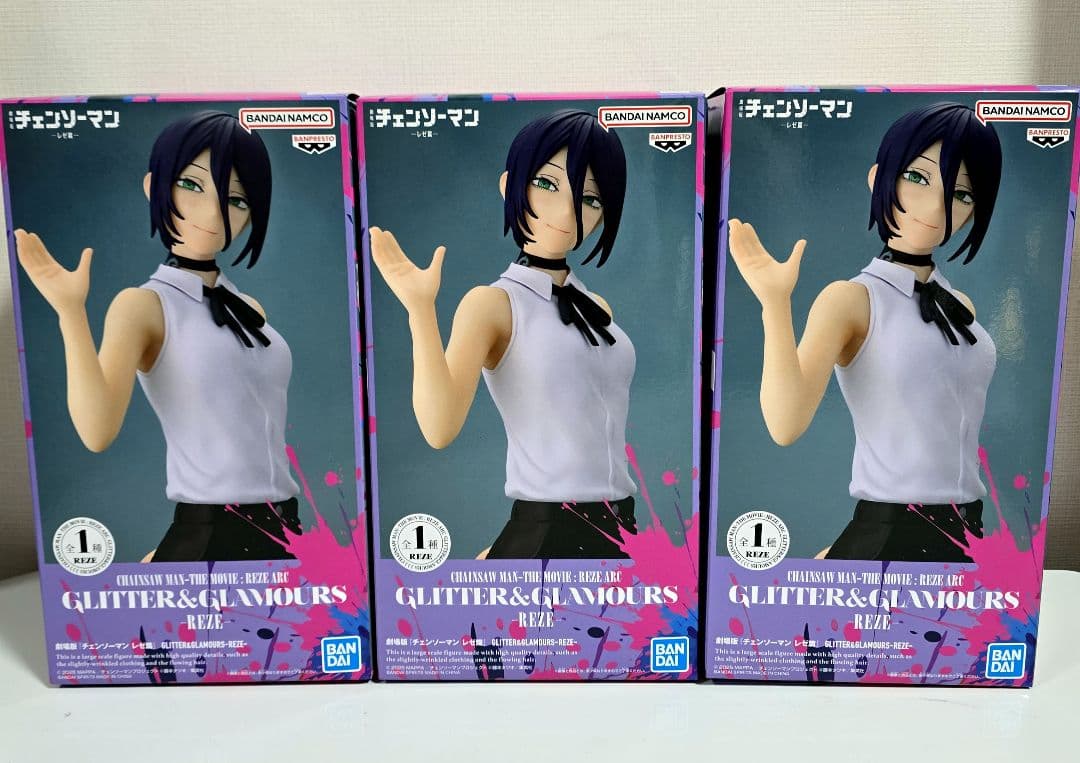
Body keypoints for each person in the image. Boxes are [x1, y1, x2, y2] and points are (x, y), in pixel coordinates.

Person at [15, 110, 300, 562]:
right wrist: (70, 312)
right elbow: (96, 431)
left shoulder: (248, 308)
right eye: (191, 185)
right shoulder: (144, 305)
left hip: (286, 525)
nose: (212, 213)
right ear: (155, 188)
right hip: (214, 527)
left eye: (237, 200)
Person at [727, 102, 1002, 562]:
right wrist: (774, 303)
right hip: (894, 528)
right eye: (917, 177)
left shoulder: (959, 306)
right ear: (879, 179)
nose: (935, 207)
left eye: (962, 194)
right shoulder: (852, 299)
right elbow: (785, 424)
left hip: (967, 530)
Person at [370, 109, 638, 559]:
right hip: (550, 526)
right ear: (509, 186)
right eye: (547, 184)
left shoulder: (596, 308)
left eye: (590, 199)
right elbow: (439, 428)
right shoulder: (494, 304)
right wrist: (419, 309)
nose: (566, 211)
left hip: (621, 525)